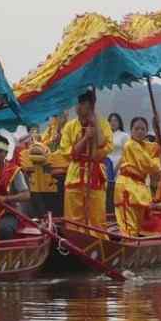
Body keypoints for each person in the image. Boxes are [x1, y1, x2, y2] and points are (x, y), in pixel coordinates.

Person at [56, 89, 114, 229]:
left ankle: (96, 243)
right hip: (75, 174)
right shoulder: (70, 126)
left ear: (90, 105)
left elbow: (103, 145)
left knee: (96, 217)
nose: (77, 107)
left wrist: (95, 124)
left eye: (81, 104)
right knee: (73, 217)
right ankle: (74, 242)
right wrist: (86, 138)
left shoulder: (102, 123)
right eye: (76, 104)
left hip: (95, 174)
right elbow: (69, 153)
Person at [114, 117, 161, 236]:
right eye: (136, 129)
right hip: (127, 186)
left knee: (137, 224)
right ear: (131, 131)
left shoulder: (145, 145)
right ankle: (128, 244)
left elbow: (158, 147)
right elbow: (150, 165)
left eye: (143, 129)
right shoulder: (130, 145)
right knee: (128, 225)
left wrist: (157, 130)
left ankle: (134, 243)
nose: (140, 131)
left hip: (139, 188)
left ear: (147, 131)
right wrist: (159, 160)